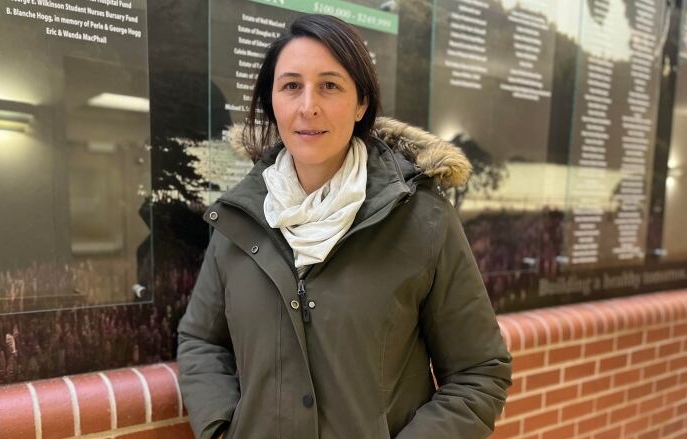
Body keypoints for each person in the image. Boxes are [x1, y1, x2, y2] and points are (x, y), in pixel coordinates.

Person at [177, 14, 511, 439]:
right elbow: (200, 341)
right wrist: (223, 429)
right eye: (291, 85)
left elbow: (479, 371)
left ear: (361, 103)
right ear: (272, 102)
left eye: (330, 85)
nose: (308, 105)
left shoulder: (422, 219)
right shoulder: (240, 220)